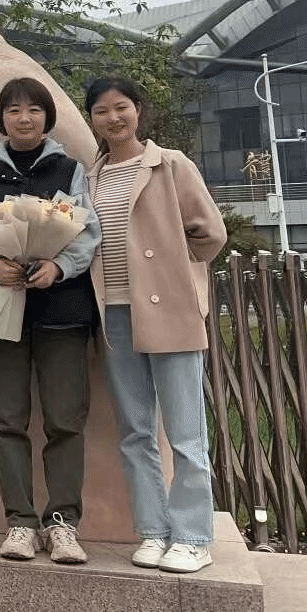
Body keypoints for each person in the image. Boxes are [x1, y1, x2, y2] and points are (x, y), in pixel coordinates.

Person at [84, 76, 227, 574]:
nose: (113, 118)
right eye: (102, 111)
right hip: (115, 312)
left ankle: (192, 537)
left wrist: (177, 271)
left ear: (138, 110)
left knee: (186, 433)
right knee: (135, 430)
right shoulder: (92, 177)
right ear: (92, 119)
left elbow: (210, 234)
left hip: (168, 309)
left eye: (121, 107)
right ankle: (152, 530)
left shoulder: (170, 165)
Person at [0, 77, 101, 564]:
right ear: (2, 119)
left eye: (34, 109)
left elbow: (87, 230)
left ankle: (63, 523)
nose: (24, 118)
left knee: (65, 419)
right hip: (0, 308)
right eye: (14, 110)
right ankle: (19, 521)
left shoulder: (70, 170)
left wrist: (59, 267)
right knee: (7, 419)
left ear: (48, 117)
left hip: (62, 309)